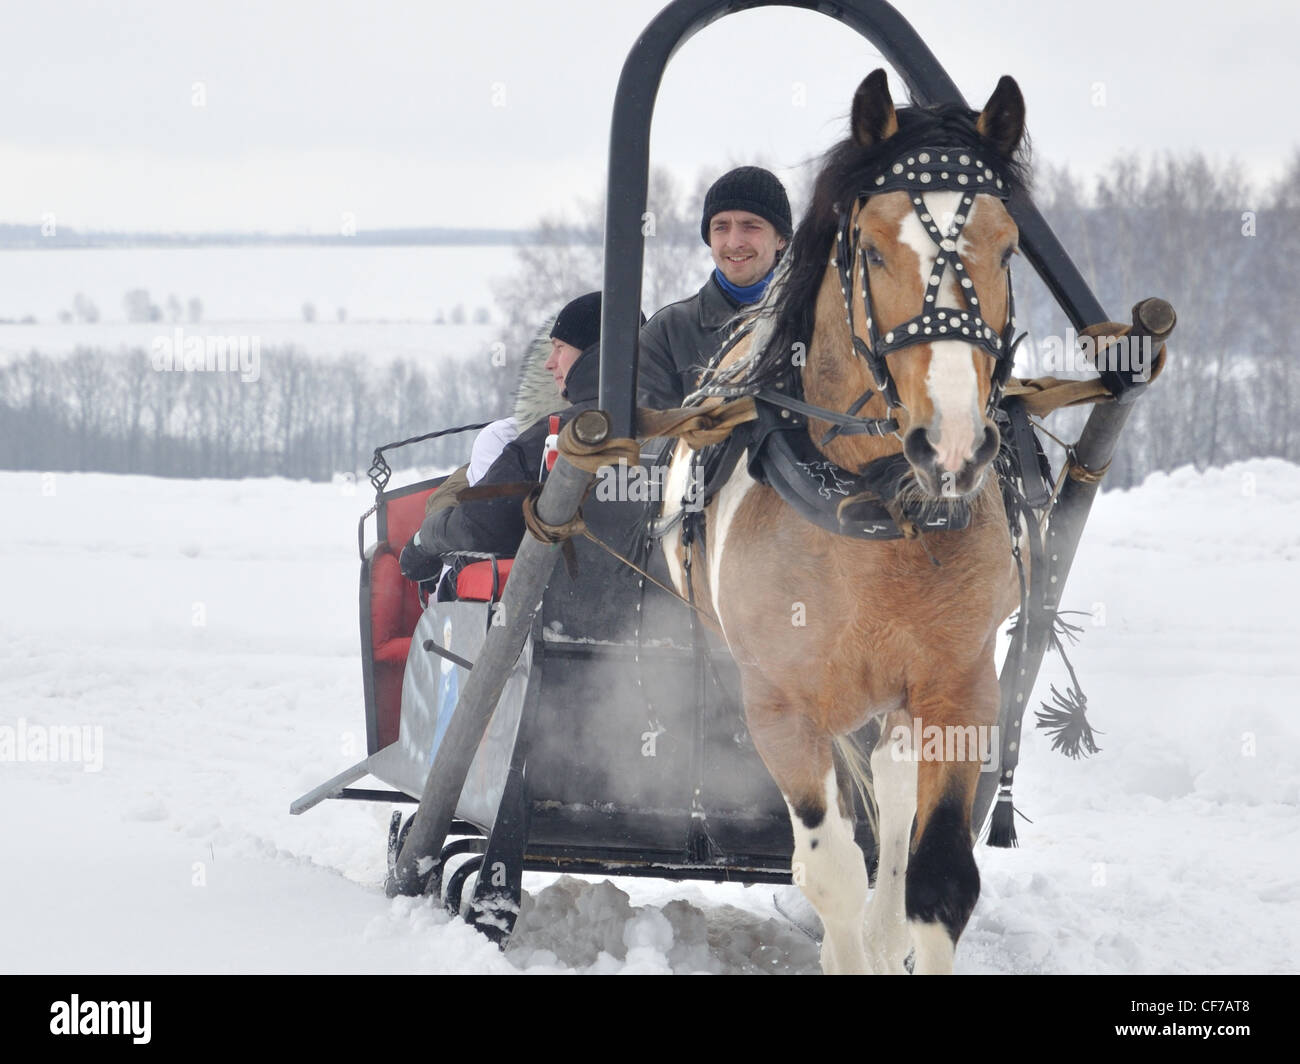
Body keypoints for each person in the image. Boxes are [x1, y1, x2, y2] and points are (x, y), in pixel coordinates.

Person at [400, 291, 641, 587]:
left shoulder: (553, 435)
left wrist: (426, 538)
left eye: (560, 347)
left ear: (593, 354)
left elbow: (484, 527)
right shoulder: (674, 427)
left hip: (558, 600)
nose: (549, 363)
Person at [637, 166, 793, 409]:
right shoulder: (668, 333)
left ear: (781, 239)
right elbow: (650, 437)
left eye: (750, 225)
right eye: (721, 227)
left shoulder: (816, 321)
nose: (734, 242)